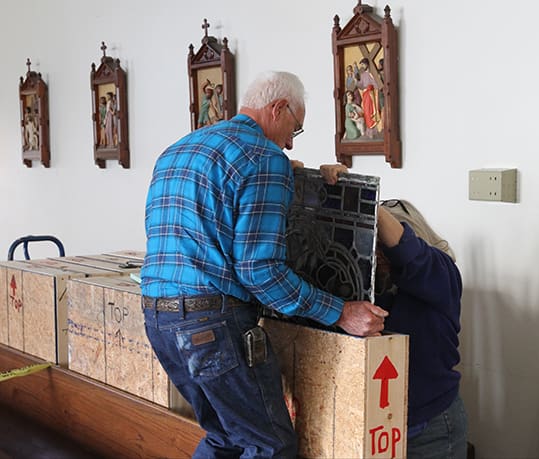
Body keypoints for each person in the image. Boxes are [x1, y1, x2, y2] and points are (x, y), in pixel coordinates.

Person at [141, 70, 388, 459]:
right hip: (212, 327)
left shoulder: (180, 149)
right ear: (278, 108)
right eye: (295, 129)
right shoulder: (264, 158)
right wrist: (341, 312)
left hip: (158, 320)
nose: (290, 143)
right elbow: (260, 272)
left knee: (224, 437)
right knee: (269, 445)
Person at [375, 199, 468, 459]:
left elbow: (410, 255)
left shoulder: (441, 273)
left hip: (430, 428)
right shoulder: (372, 286)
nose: (379, 255)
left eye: (382, 245)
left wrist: (369, 205)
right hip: (381, 428)